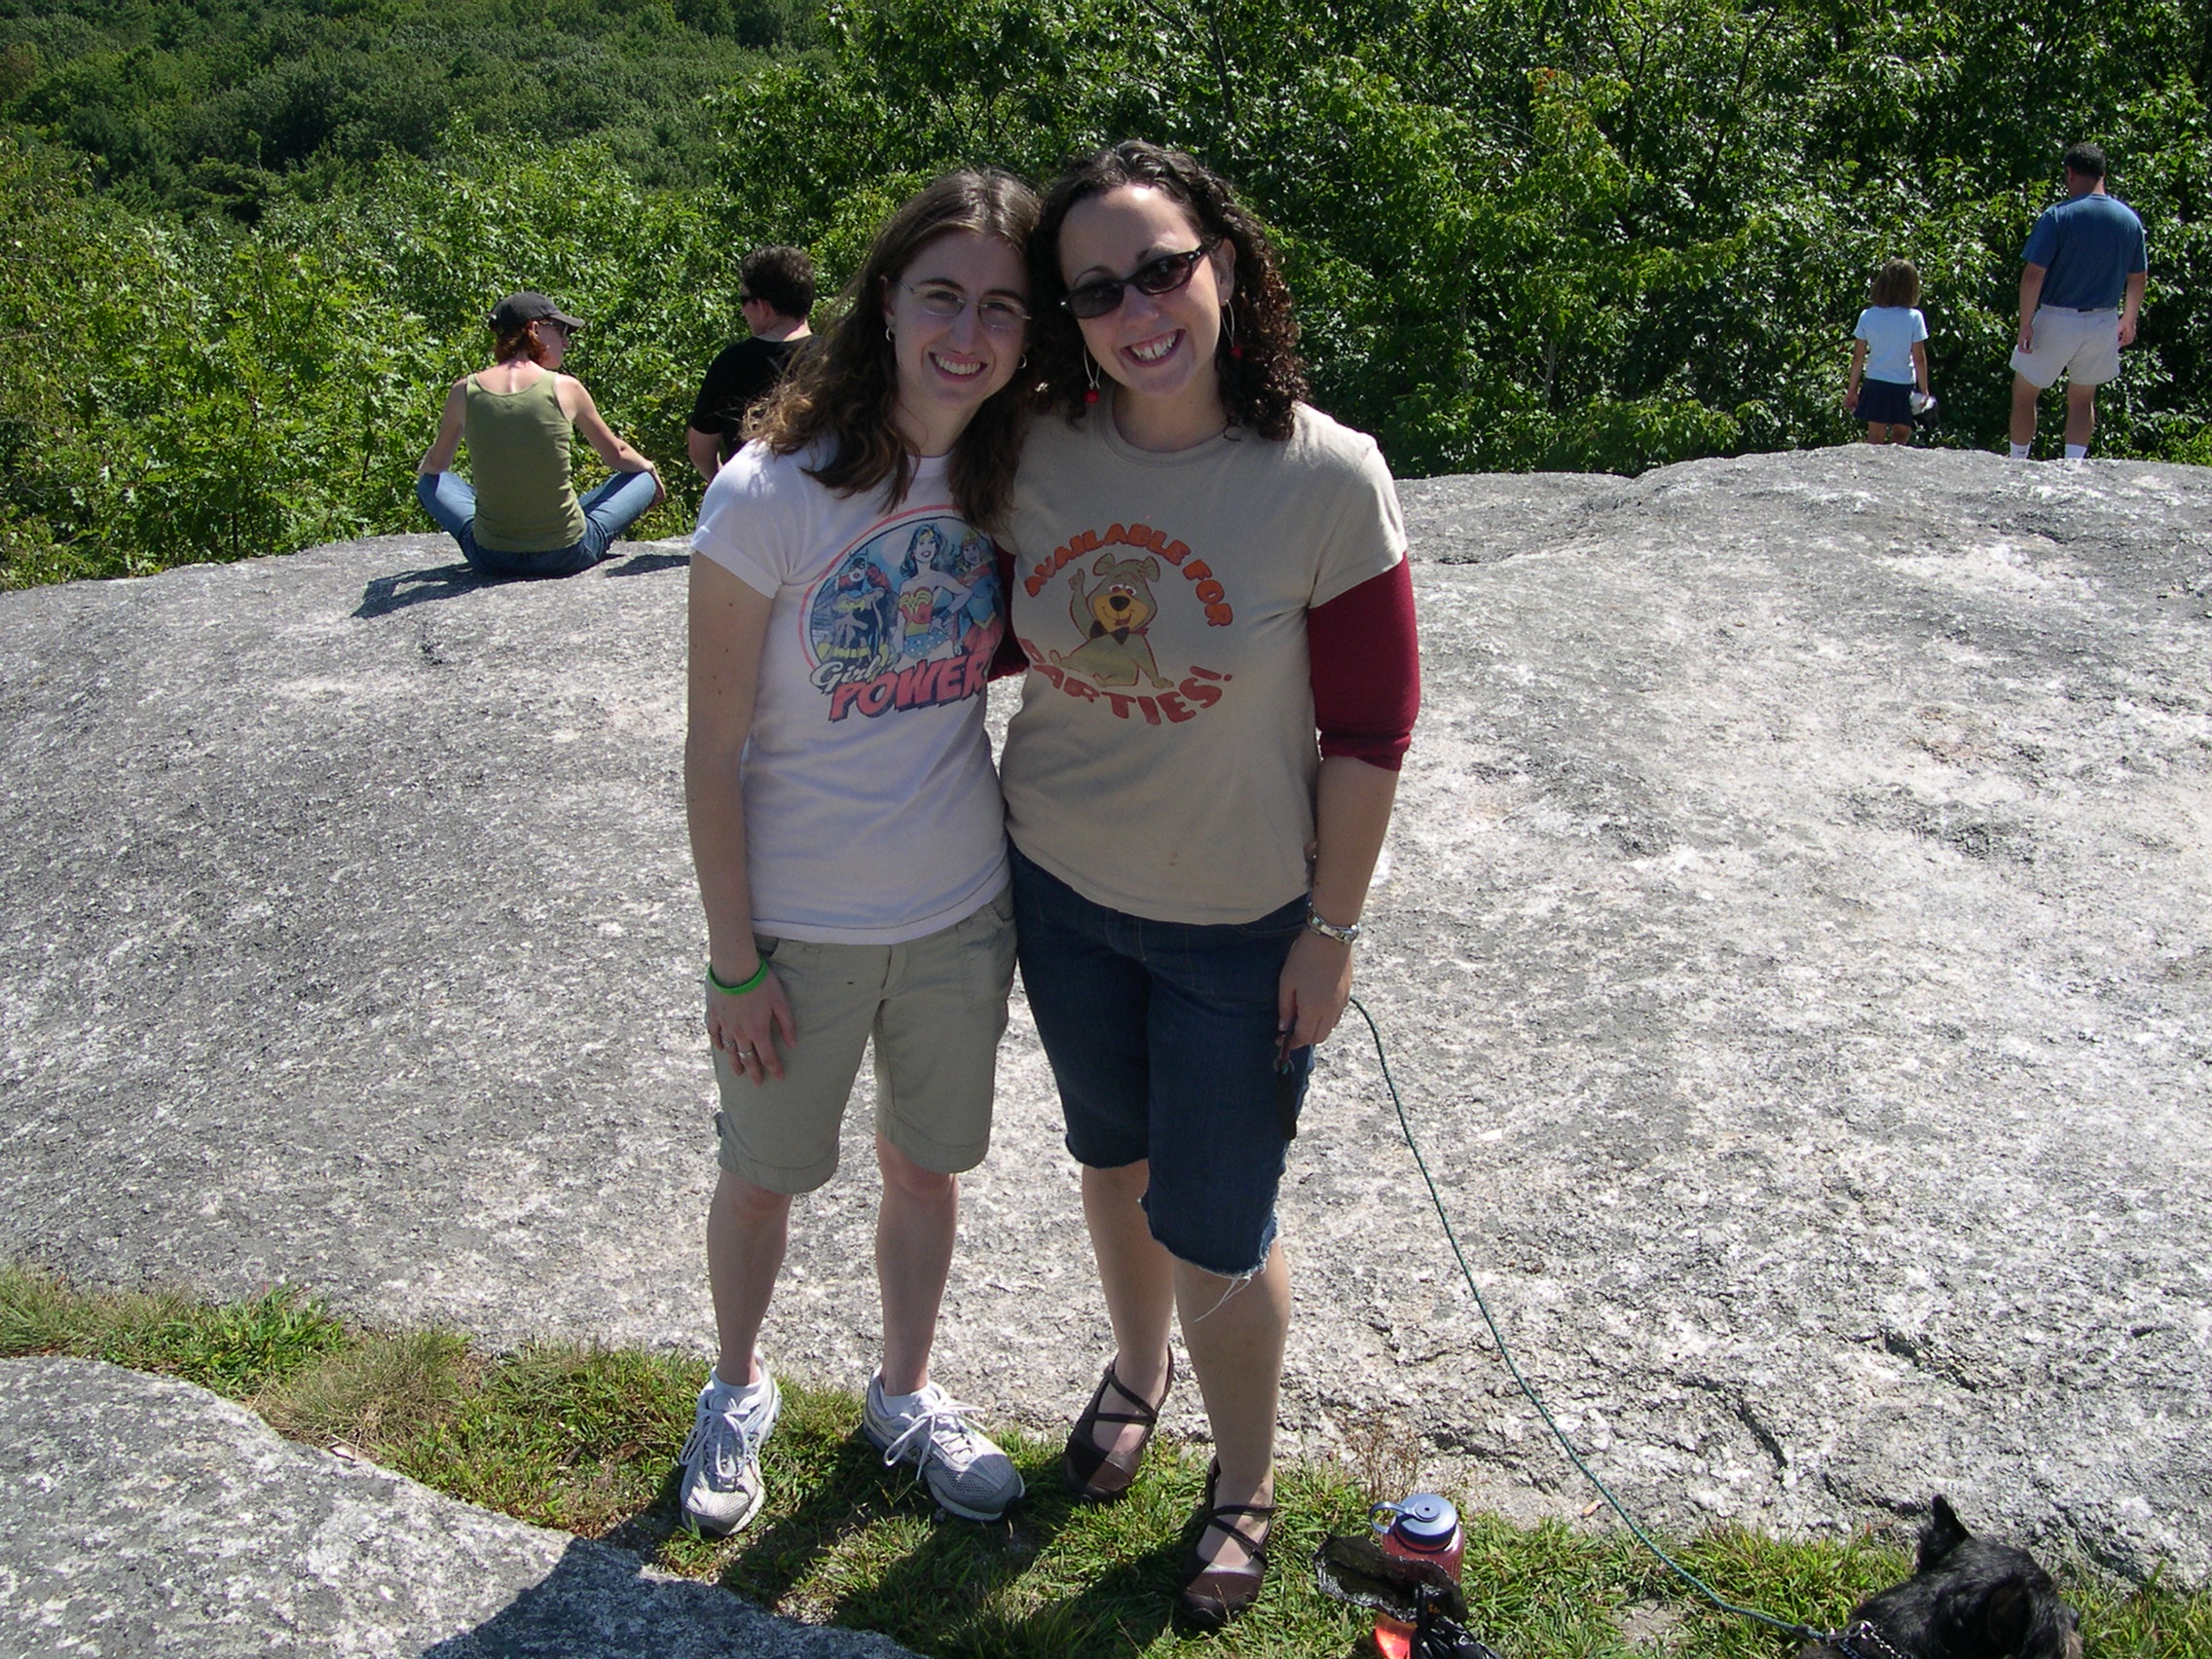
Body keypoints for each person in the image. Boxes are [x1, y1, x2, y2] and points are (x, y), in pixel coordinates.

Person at [1001, 140, 1420, 1628]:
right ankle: (1140, 1367)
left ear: (1224, 264)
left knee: (1218, 1223)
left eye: (1163, 269)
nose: (1137, 310)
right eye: (1096, 290)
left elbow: (1370, 729)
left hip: (1239, 927)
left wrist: (1332, 930)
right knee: (1110, 1160)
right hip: (1059, 885)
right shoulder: (1033, 445)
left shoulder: (1326, 478)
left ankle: (1244, 1478)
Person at [679, 170, 1037, 1537]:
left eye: (1001, 307)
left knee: (924, 1169)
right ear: (886, 300)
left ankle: (904, 1392)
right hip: (800, 926)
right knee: (761, 1178)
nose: (968, 333)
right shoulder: (768, 495)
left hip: (957, 908)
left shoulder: (1010, 471)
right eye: (942, 295)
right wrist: (735, 962)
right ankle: (735, 1386)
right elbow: (712, 752)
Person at [417, 292, 665, 577]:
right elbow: (618, 455)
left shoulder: (463, 391)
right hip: (566, 554)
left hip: (492, 556)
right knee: (640, 478)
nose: (566, 341)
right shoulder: (566, 387)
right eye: (560, 330)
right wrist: (649, 469)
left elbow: (435, 465)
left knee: (431, 482)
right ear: (534, 329)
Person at [2008, 143, 2148, 461]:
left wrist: (2025, 323)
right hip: (2103, 320)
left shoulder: (2059, 216)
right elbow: (2138, 277)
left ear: (2070, 173)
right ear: (2103, 174)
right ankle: (2074, 467)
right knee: (2083, 398)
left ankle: (2018, 460)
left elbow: (2033, 275)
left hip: (2057, 317)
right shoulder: (2128, 220)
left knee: (2025, 391)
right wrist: (2129, 319)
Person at [688, 246, 817, 481]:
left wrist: (726, 487)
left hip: (757, 495)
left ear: (764, 307)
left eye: (744, 299)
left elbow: (700, 450)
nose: (742, 309)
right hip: (828, 497)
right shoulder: (839, 358)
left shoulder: (731, 363)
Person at [1846, 258, 1932, 446]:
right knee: (1900, 438)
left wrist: (1852, 390)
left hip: (1875, 384)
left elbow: (1858, 357)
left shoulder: (1867, 315)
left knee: (1874, 440)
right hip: (1903, 385)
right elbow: (1919, 359)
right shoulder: (1914, 317)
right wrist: (1924, 390)